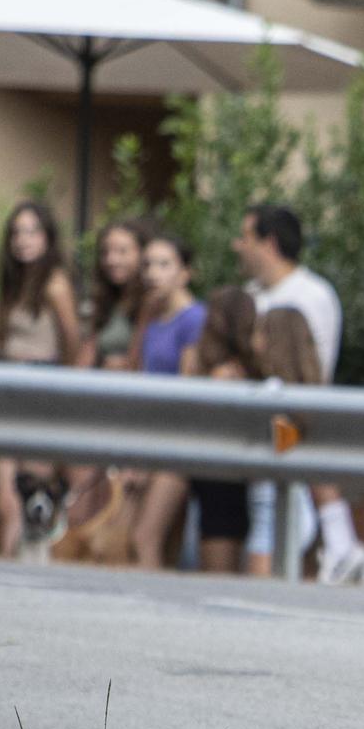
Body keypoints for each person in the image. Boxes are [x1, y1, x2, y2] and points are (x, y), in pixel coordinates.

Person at [232, 202, 345, 580]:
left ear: (270, 242)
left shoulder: (311, 295)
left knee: (274, 514)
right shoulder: (249, 295)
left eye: (245, 237)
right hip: (247, 427)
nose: (237, 246)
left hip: (288, 428)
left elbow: (313, 376)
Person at [0, 200, 82, 557]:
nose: (23, 240)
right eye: (16, 233)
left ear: (48, 237)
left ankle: (33, 578)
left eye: (32, 231)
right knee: (5, 500)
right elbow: (0, 335)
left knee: (34, 494)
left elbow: (71, 340)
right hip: (6, 384)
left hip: (40, 383)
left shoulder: (55, 282)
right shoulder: (14, 283)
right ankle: (5, 579)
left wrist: (60, 388)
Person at [127, 232, 206, 568]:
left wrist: (151, 457)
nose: (153, 273)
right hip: (149, 434)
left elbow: (188, 393)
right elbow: (137, 373)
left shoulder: (194, 318)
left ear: (185, 272)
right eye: (147, 265)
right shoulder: (155, 319)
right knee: (159, 542)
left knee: (144, 537)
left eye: (164, 264)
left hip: (176, 440)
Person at [245, 307, 326, 575]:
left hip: (270, 508)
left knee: (260, 596)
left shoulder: (271, 392)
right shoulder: (304, 394)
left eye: (258, 331)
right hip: (296, 507)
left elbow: (280, 445)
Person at [186, 288, 262, 575]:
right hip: (236, 476)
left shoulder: (209, 368)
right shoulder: (255, 369)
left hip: (217, 478)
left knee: (217, 576)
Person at [78, 217, 152, 370]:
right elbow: (86, 355)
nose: (112, 259)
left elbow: (138, 361)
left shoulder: (150, 300)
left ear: (143, 254)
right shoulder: (105, 299)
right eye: (106, 252)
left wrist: (120, 364)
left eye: (122, 251)